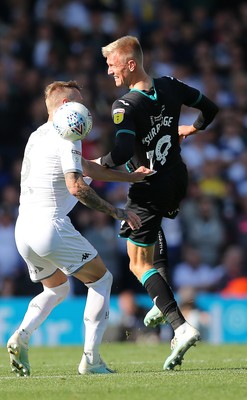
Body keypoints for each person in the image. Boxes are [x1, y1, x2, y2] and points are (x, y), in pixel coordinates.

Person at [6, 80, 153, 377]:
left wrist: (129, 179)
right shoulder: (67, 135)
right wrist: (117, 212)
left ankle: (21, 334)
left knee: (57, 288)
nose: (85, 111)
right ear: (64, 107)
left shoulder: (38, 135)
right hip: (51, 227)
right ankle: (91, 359)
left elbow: (85, 168)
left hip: (23, 231)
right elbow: (77, 187)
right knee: (101, 281)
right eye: (79, 104)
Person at [95, 36, 219, 370]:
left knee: (137, 262)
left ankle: (180, 326)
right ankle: (158, 301)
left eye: (112, 64)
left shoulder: (125, 105)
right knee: (154, 234)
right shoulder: (171, 85)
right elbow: (210, 108)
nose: (109, 71)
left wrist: (96, 164)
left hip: (147, 186)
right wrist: (192, 128)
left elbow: (122, 154)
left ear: (130, 64)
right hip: (177, 178)